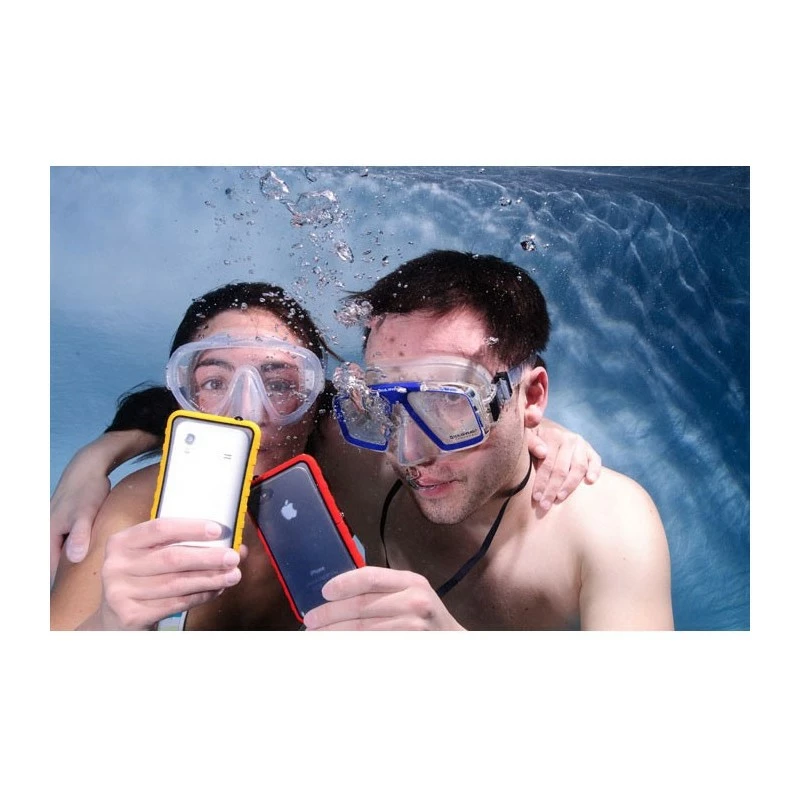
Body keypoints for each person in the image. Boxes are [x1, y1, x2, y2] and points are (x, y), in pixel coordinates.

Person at [50, 277, 601, 630]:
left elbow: (432, 402)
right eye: (214, 382)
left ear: (317, 400)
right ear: (185, 396)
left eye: (280, 384)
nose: (249, 413)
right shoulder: (137, 511)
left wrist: (536, 425)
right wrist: (109, 625)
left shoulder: (345, 450)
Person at [299, 250, 674, 630]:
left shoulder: (607, 524)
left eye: (450, 401)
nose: (409, 454)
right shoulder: (353, 451)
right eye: (386, 401)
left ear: (532, 397)